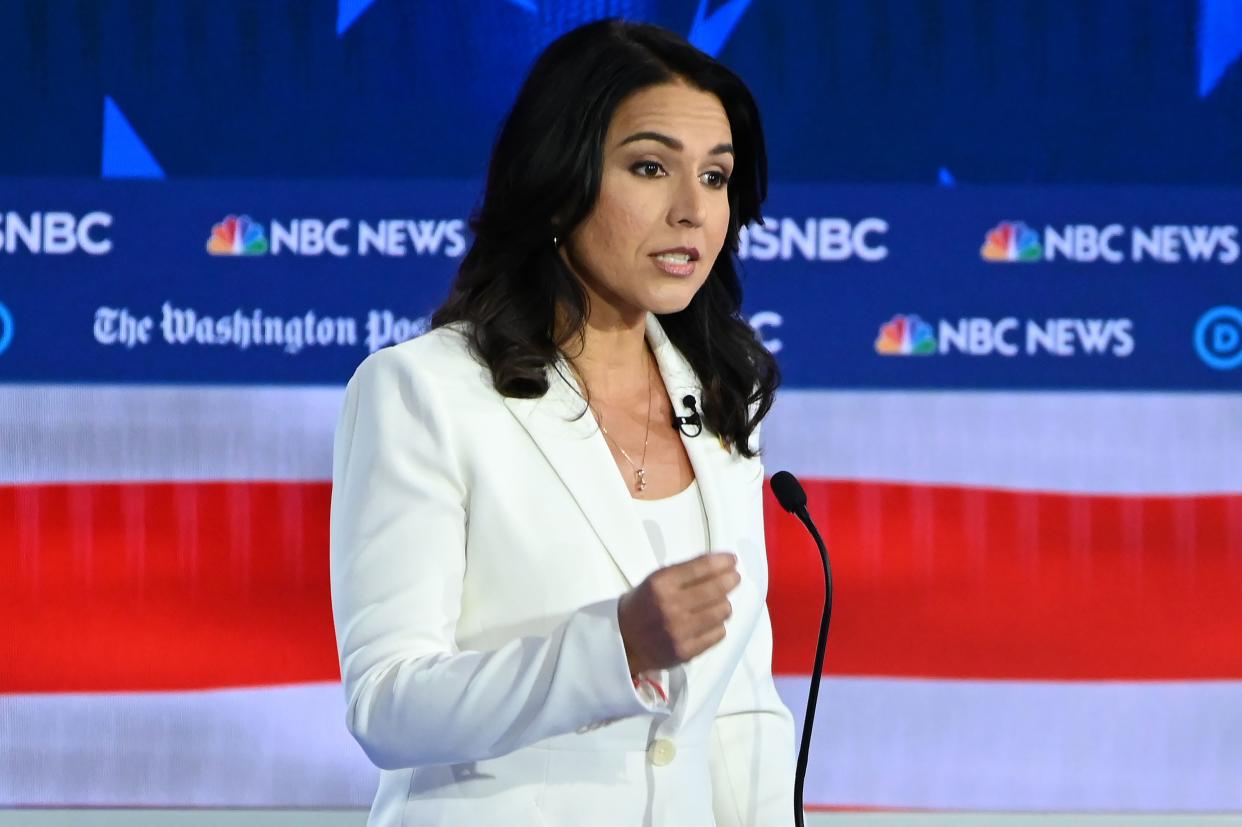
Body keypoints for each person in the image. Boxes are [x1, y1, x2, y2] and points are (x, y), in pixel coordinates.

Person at [330, 18, 794, 827]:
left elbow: (741, 711)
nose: (693, 211)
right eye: (651, 168)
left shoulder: (719, 409)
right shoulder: (424, 392)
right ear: (560, 179)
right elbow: (387, 702)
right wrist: (613, 647)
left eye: (716, 178)